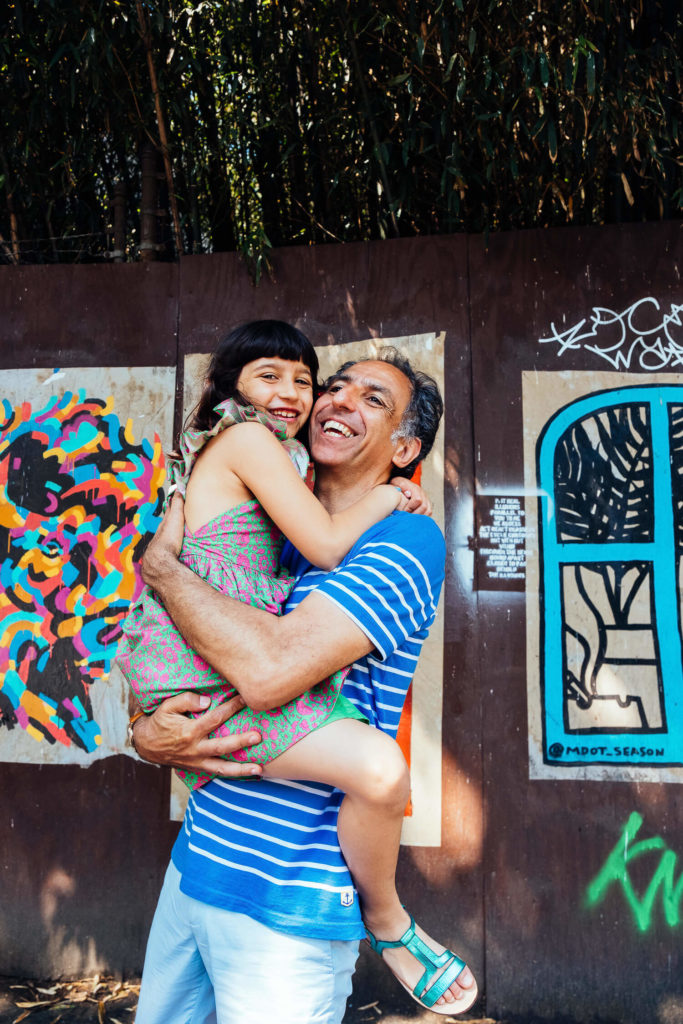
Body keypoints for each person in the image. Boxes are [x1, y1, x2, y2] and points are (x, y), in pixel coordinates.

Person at [131, 340, 478, 1023]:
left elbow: (265, 676)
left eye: (372, 399)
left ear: (403, 451)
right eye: (337, 386)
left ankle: (388, 922)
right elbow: (178, 651)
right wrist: (148, 736)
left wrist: (166, 572)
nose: (338, 399)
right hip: (198, 863)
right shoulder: (271, 522)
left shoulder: (402, 540)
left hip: (289, 901)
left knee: (378, 769)